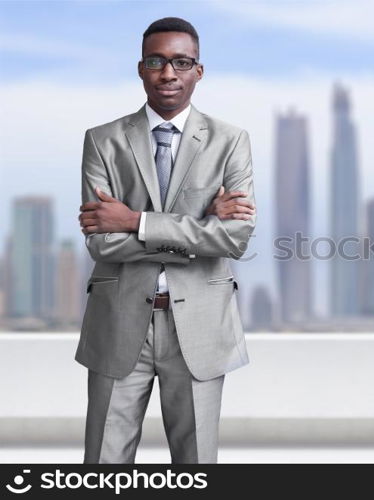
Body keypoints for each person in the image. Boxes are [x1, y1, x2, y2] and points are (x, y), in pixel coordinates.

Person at [76, 17, 256, 463]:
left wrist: (134, 220)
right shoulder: (102, 141)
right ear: (141, 68)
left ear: (199, 70)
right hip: (118, 324)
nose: (168, 73)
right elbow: (102, 244)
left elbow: (234, 239)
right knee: (104, 465)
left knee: (195, 466)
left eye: (181, 62)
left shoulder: (231, 142)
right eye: (156, 61)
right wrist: (198, 230)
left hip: (199, 328)